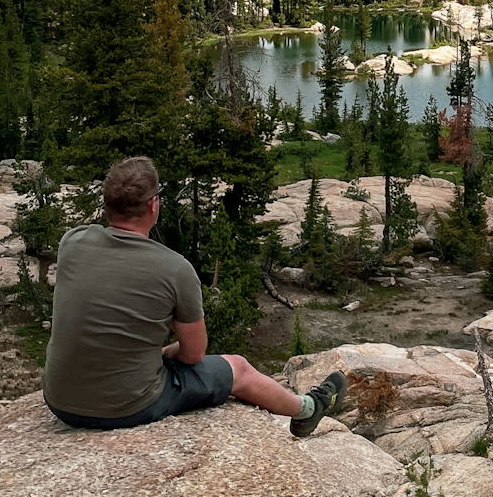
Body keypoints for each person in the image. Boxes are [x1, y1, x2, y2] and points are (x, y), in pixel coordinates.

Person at [42, 155, 345, 436]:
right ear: (153, 206)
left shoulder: (74, 241)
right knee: (237, 367)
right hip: (129, 406)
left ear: (108, 203)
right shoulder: (175, 269)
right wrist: (164, 353)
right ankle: (308, 409)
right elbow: (194, 354)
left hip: (59, 401)